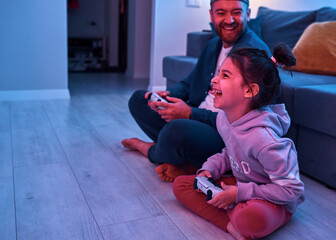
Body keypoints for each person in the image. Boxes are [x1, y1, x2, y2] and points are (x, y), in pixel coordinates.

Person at [122, 0, 271, 182]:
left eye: (236, 12)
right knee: (139, 100)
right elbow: (189, 83)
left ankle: (152, 150)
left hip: (225, 135)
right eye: (221, 13)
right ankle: (177, 153)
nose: (229, 20)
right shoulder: (212, 45)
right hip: (196, 116)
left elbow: (242, 120)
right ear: (211, 15)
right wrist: (167, 96)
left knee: (176, 130)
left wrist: (189, 114)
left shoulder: (254, 54)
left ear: (248, 14)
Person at [173, 44, 305, 240]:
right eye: (219, 73)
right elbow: (230, 153)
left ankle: (235, 215)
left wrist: (239, 194)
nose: (214, 80)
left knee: (250, 218)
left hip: (274, 199)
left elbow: (291, 189)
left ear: (250, 91)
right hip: (242, 184)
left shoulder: (265, 140)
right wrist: (211, 169)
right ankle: (231, 226)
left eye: (225, 76)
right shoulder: (223, 119)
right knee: (181, 185)